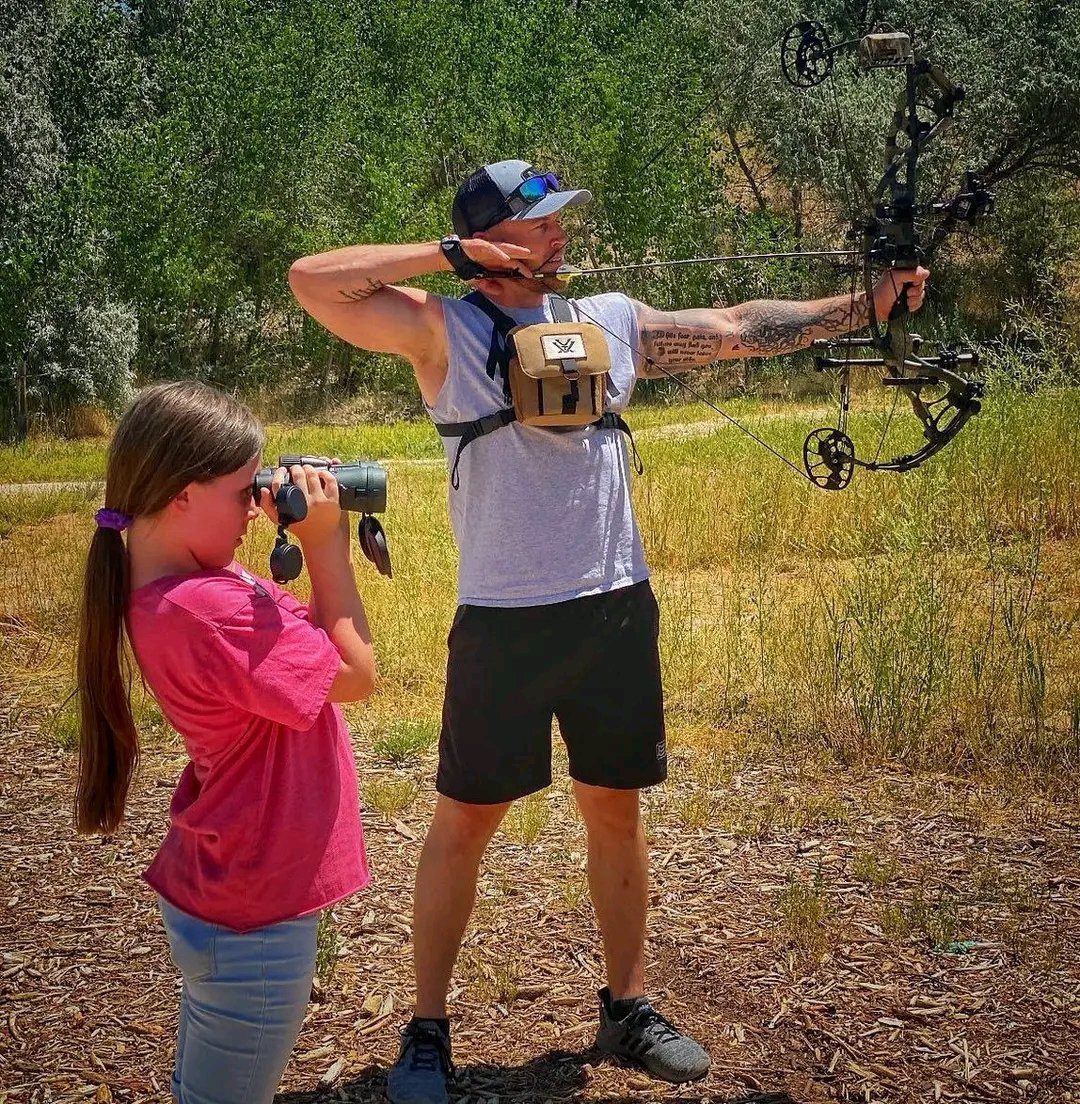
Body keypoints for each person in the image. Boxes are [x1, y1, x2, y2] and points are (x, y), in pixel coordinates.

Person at [288, 160, 929, 1103]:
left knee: (615, 808)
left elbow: (741, 330)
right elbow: (312, 280)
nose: (561, 236)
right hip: (505, 622)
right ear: (493, 239)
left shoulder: (612, 319)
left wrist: (861, 305)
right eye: (540, 223)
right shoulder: (442, 330)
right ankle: (426, 1031)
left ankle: (626, 1008)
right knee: (464, 822)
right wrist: (448, 255)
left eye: (558, 223)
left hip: (616, 609)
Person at [74, 380, 378, 1104]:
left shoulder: (186, 585)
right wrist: (326, 543)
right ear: (182, 495)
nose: (255, 508)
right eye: (244, 492)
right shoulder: (204, 609)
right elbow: (355, 673)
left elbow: (297, 642)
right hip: (254, 917)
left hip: (236, 894)